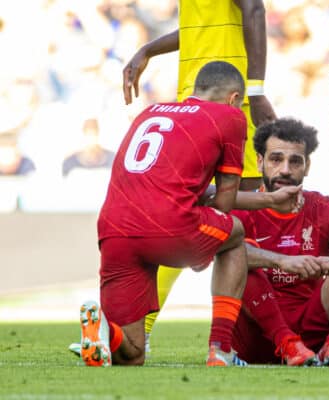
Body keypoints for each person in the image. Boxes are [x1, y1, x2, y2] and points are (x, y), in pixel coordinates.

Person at [122, 1, 276, 343]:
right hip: (196, 97)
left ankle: (257, 337)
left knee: (241, 216)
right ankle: (136, 330)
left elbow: (254, 9)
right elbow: (198, 31)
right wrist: (149, 49)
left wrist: (256, 89)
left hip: (231, 97)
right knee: (179, 211)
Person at [79, 61, 251, 367]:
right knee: (234, 232)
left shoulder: (152, 111)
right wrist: (205, 245)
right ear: (234, 97)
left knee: (132, 355)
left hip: (114, 228)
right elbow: (225, 201)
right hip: (170, 225)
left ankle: (105, 335)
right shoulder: (230, 116)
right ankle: (220, 349)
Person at [228, 118, 329, 366]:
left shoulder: (321, 207)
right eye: (276, 159)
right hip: (256, 337)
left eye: (295, 161)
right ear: (259, 162)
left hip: (309, 338)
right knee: (236, 256)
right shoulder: (244, 208)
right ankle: (287, 343)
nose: (285, 170)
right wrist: (282, 261)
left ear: (307, 165)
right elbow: (222, 252)